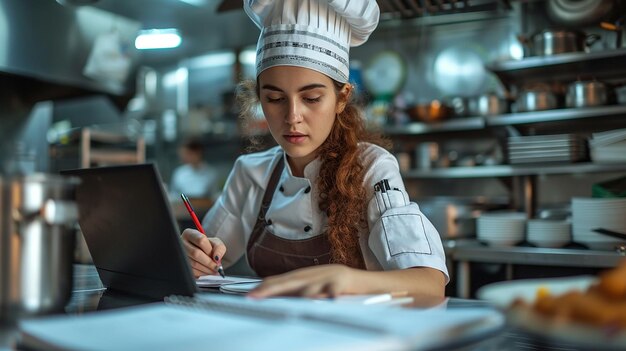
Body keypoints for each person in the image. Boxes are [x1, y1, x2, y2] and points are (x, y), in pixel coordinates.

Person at [182, 0, 449, 298]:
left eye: (310, 98)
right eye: (274, 99)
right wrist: (194, 256)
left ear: (342, 98)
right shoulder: (250, 173)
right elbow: (207, 261)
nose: (292, 116)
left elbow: (430, 284)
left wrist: (348, 281)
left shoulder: (372, 168)